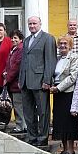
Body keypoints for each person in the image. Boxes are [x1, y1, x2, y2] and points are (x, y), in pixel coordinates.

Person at [19, 16, 56, 146]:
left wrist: (47, 80)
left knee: (43, 111)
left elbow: (50, 61)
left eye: (34, 23)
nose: (32, 26)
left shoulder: (48, 38)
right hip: (25, 82)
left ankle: (43, 137)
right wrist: (20, 79)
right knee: (28, 112)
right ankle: (32, 136)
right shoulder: (27, 40)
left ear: (40, 24)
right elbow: (23, 61)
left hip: (40, 81)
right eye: (30, 24)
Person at [50, 36, 78, 154]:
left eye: (65, 43)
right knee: (60, 120)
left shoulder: (74, 57)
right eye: (60, 43)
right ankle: (64, 149)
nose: (62, 45)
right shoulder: (57, 58)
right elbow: (53, 74)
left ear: (70, 45)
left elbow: (73, 77)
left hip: (68, 92)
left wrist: (58, 88)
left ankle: (71, 150)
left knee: (69, 121)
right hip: (57, 93)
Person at [3, 29, 25, 134]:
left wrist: (7, 79)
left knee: (18, 106)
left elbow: (16, 66)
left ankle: (21, 126)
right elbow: (9, 64)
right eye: (12, 38)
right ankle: (20, 125)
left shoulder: (21, 49)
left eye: (15, 38)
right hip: (12, 82)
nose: (13, 40)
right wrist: (5, 72)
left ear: (21, 39)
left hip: (17, 83)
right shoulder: (13, 49)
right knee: (16, 106)